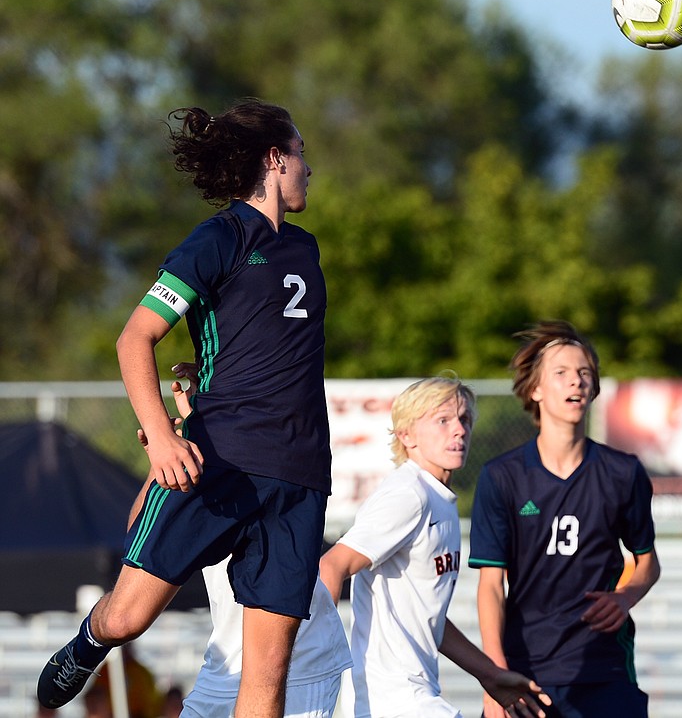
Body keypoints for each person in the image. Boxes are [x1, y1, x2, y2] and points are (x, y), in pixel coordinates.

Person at [38, 99, 331, 718]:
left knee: (268, 679)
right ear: (276, 159)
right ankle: (94, 638)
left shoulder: (305, 251)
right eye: (302, 152)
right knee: (129, 617)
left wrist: (207, 377)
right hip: (218, 460)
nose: (310, 167)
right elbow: (134, 338)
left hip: (300, 477)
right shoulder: (217, 239)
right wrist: (161, 442)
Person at [318, 376, 551, 718]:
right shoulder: (407, 495)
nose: (458, 430)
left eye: (464, 419)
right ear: (407, 436)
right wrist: (317, 662)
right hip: (395, 701)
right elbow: (332, 565)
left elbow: (432, 621)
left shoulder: (438, 499)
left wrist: (490, 675)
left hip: (415, 693)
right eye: (443, 420)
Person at [468, 321, 661, 718]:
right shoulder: (502, 476)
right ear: (535, 389)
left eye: (585, 372)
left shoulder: (623, 472)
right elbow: (490, 585)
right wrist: (494, 674)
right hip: (526, 671)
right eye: (562, 373)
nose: (577, 381)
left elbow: (647, 562)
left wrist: (626, 597)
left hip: (605, 669)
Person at [145, 364, 352, 718]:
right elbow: (141, 543)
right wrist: (160, 454)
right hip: (225, 662)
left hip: (297, 665)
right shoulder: (198, 464)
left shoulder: (266, 452)